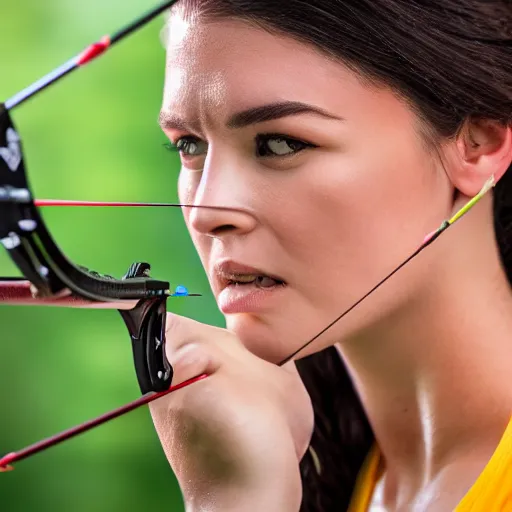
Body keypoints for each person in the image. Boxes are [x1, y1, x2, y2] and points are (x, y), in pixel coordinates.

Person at [148, 1, 512, 510]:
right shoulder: (351, 480)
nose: (207, 212)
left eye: (278, 144)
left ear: (477, 146)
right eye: (188, 146)